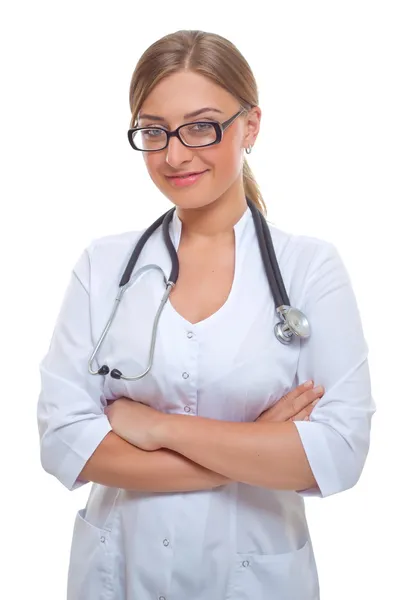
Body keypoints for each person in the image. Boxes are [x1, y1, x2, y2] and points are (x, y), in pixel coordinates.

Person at [37, 29, 375, 600]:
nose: (174, 154)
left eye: (201, 126)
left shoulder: (310, 268)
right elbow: (65, 440)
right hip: (119, 572)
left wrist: (157, 427)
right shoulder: (103, 266)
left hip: (254, 579)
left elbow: (337, 453)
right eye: (154, 131)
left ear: (251, 126)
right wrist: (254, 447)